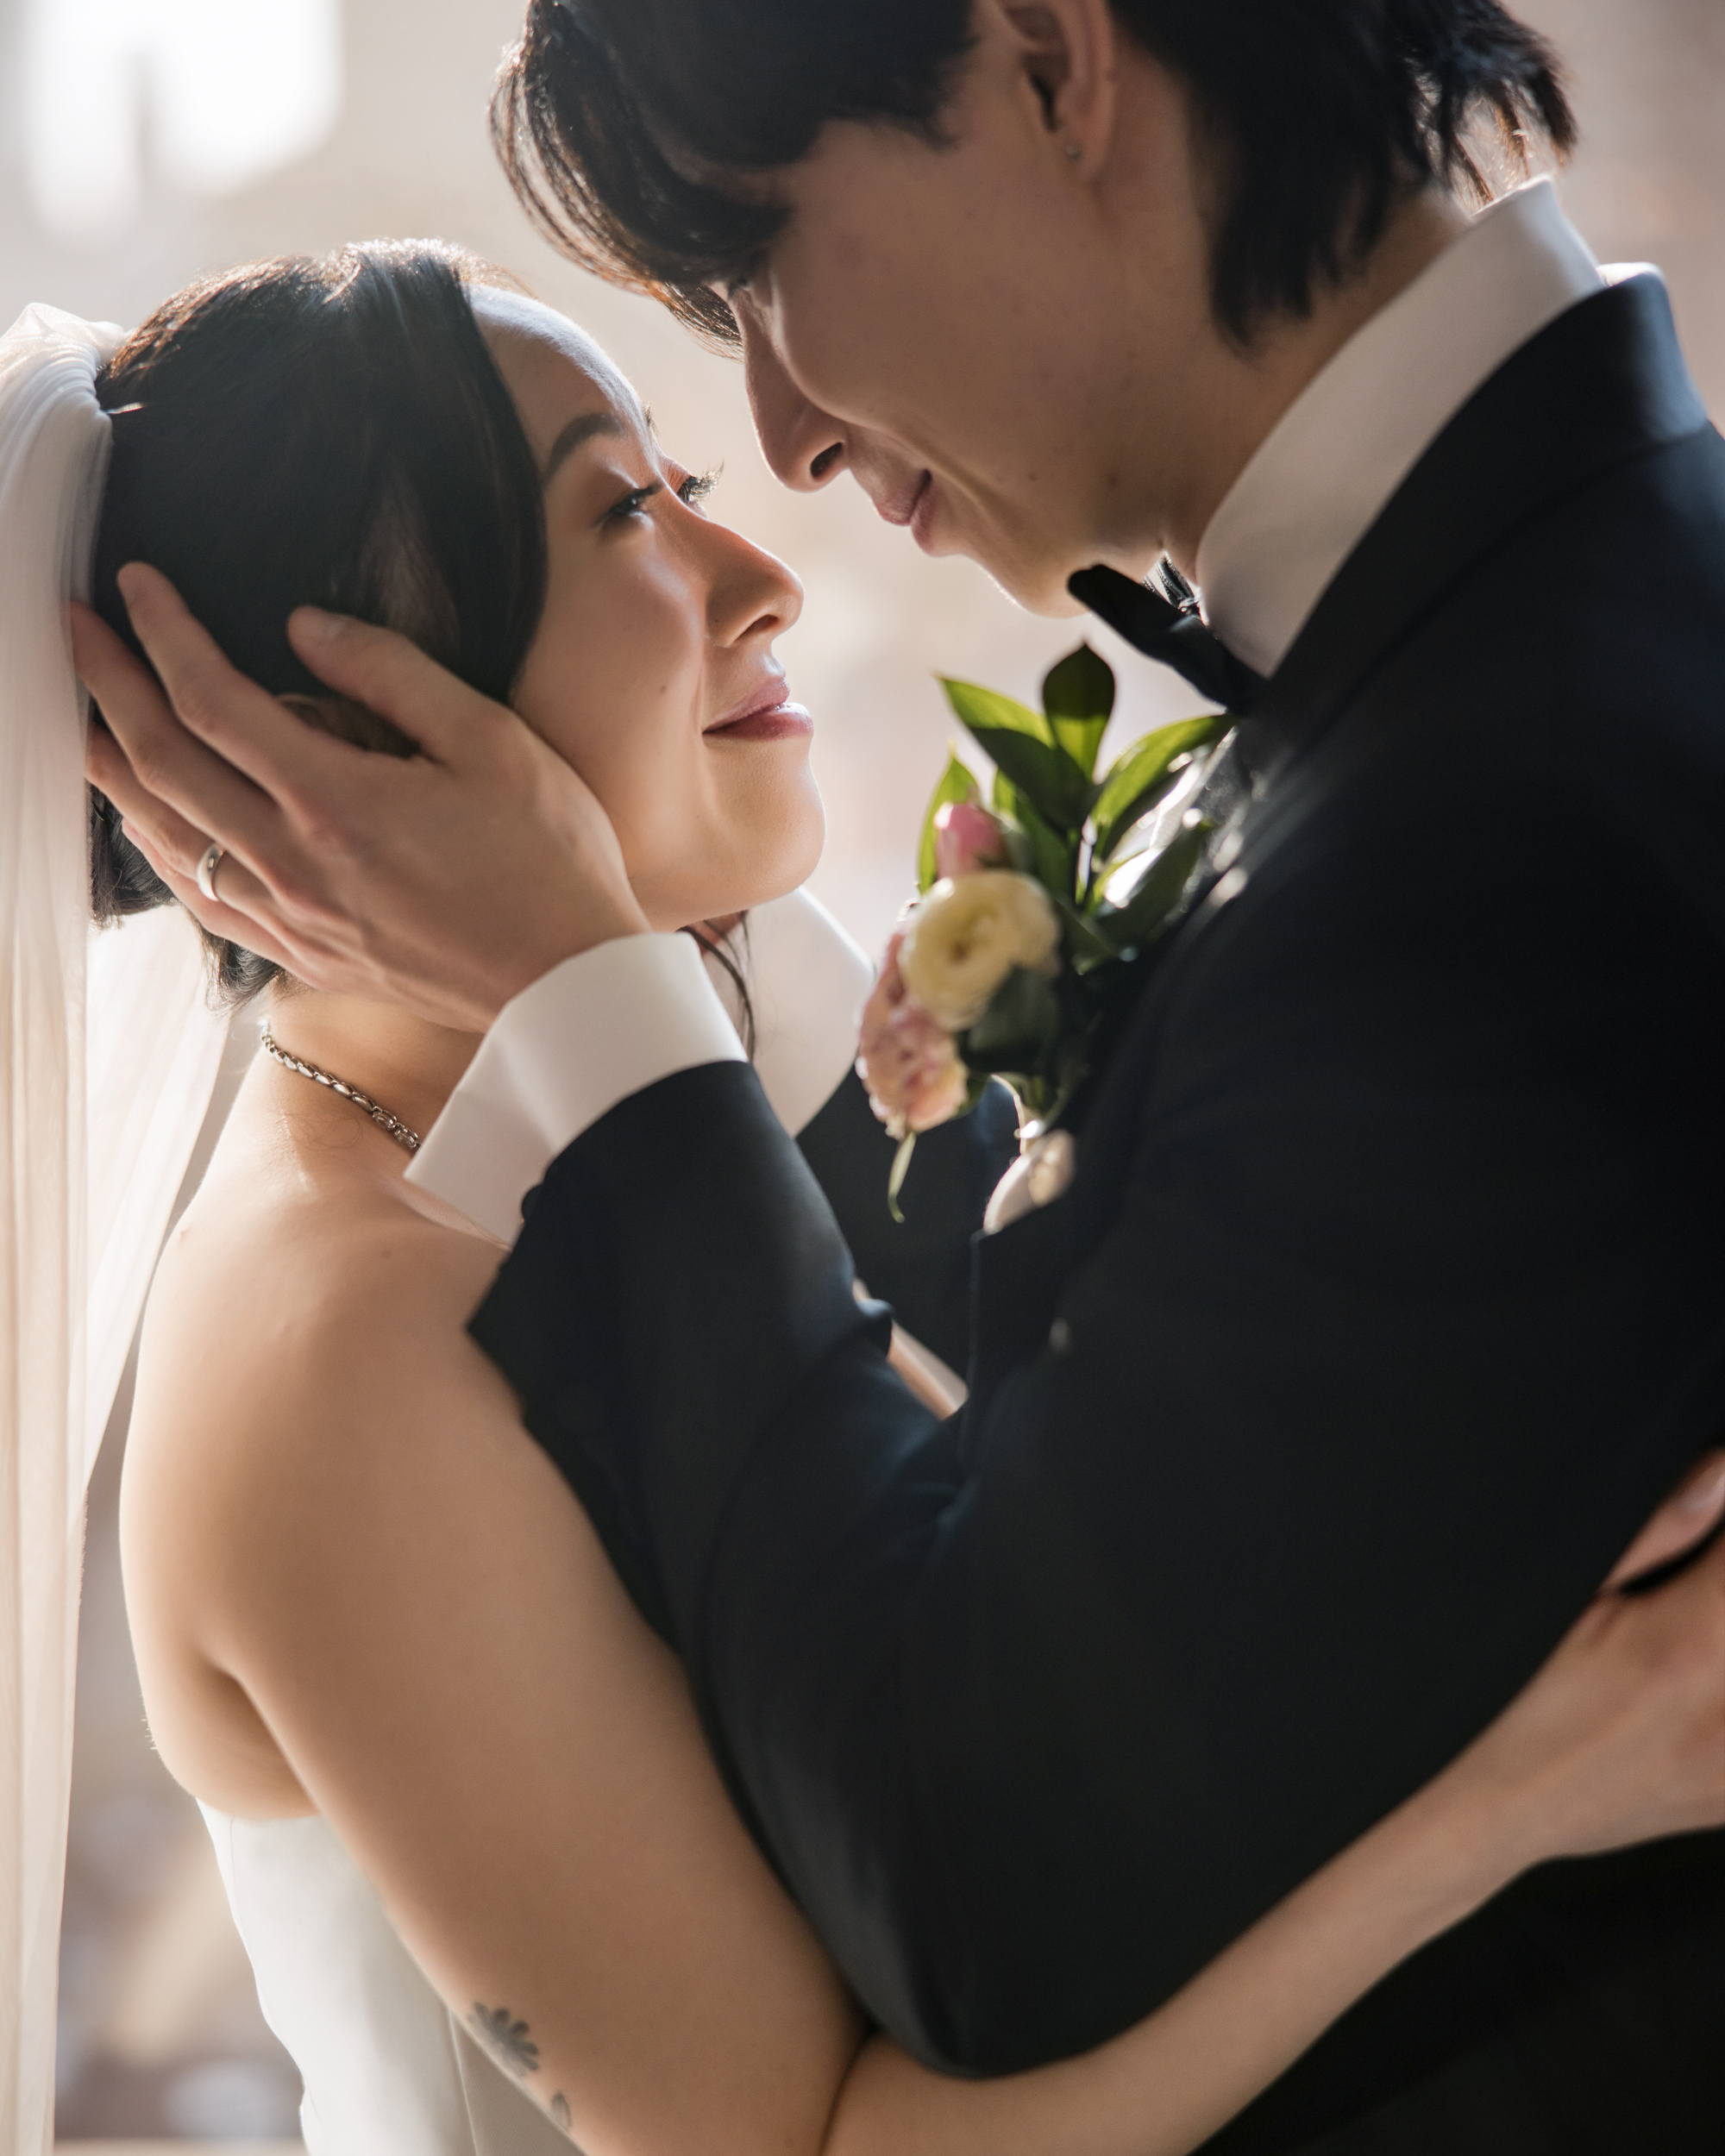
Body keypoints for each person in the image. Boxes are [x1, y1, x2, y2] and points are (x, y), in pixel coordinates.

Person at [77, 0, 1725, 2145]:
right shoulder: (348, 1322)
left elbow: (1016, 1758)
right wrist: (1515, 1790)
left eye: (756, 266)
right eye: (628, 513)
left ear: (1050, 64)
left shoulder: (1448, 820)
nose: (773, 500)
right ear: (355, 725)